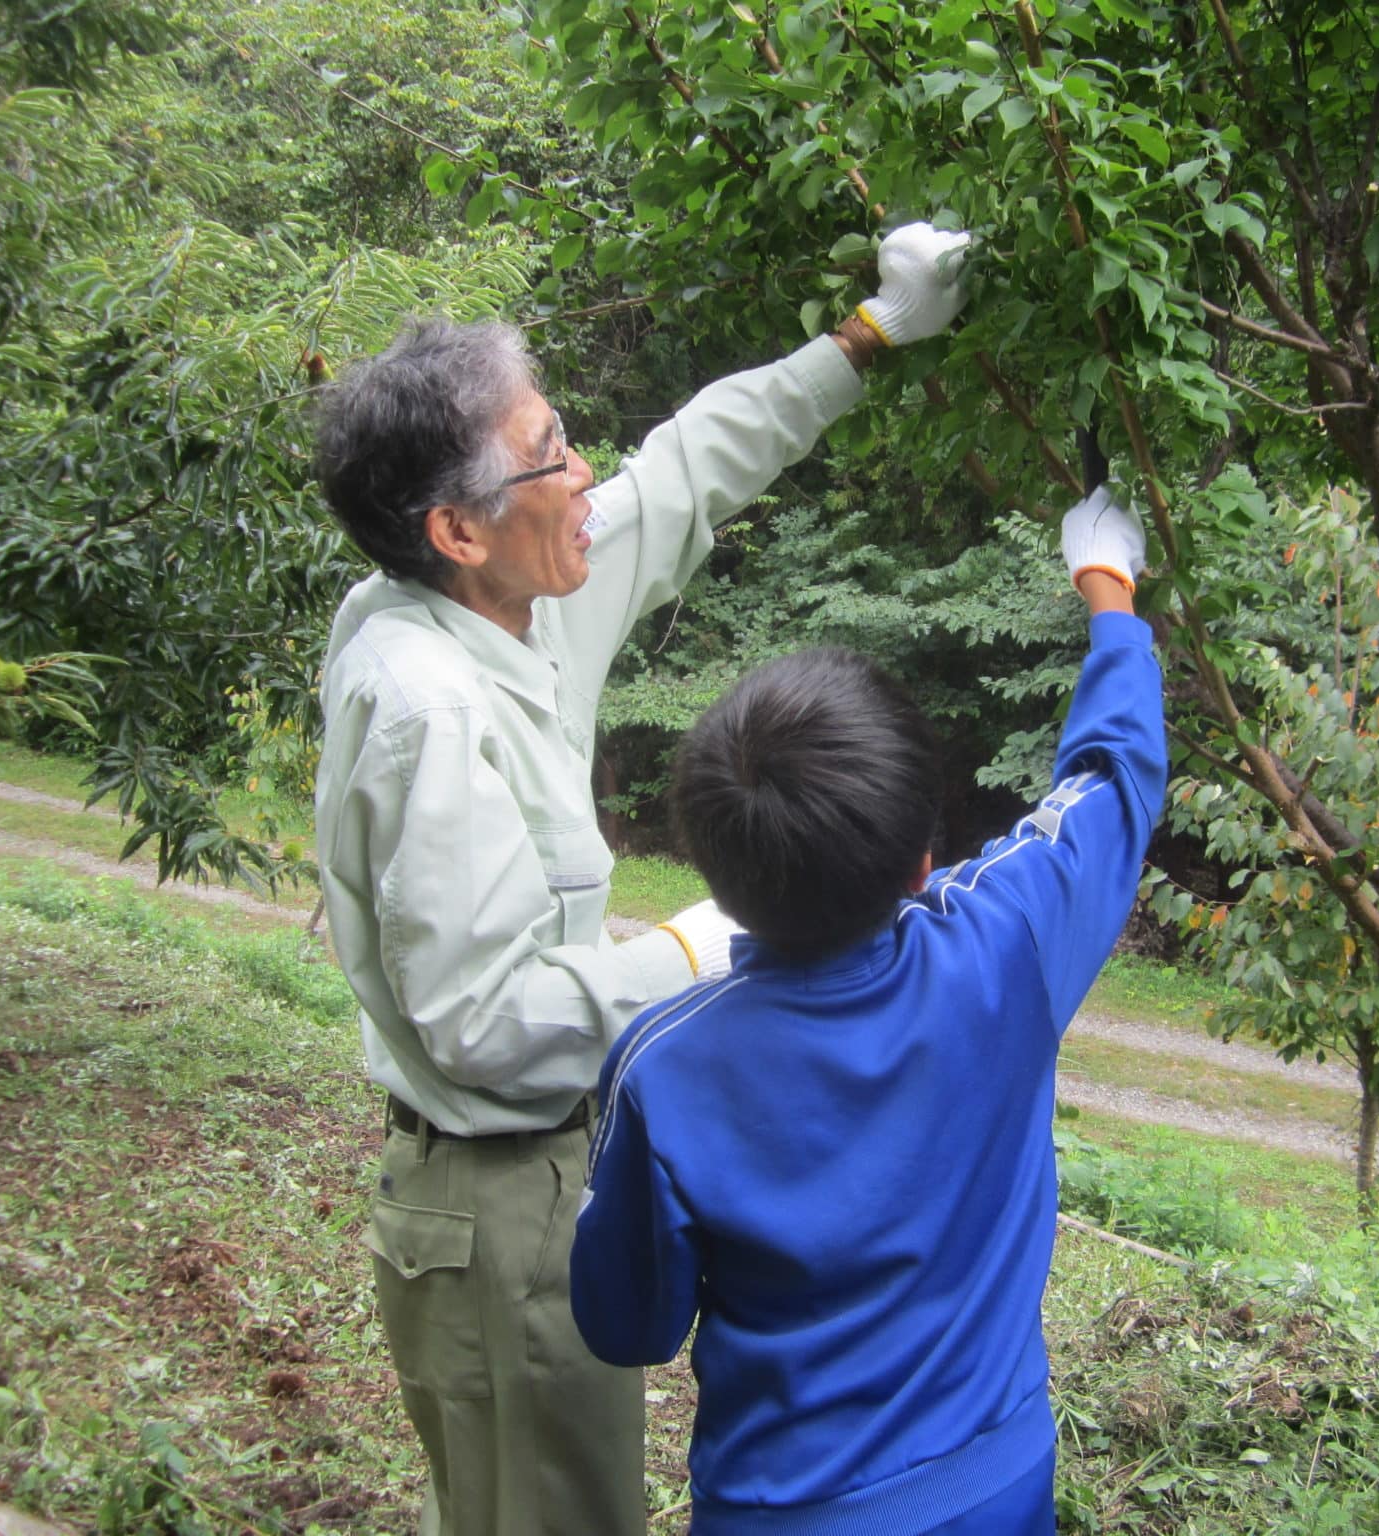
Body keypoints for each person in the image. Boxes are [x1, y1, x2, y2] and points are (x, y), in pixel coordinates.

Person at [309, 221, 972, 1536]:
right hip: (497, 1206)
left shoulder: (515, 585)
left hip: (559, 1179)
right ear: (456, 525)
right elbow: (484, 1028)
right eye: (552, 454)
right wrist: (700, 944)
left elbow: (687, 465)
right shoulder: (424, 708)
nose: (586, 474)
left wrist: (871, 334)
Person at [570, 489, 1165, 1534]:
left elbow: (629, 1327)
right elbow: (1112, 778)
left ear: (711, 874)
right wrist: (1104, 583)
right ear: (923, 859)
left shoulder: (664, 1069)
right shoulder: (1003, 950)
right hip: (995, 1485)